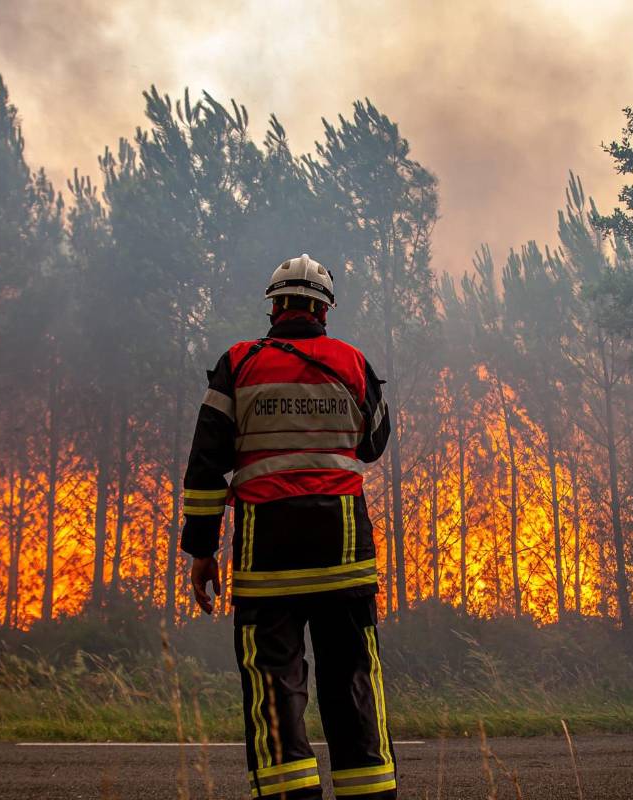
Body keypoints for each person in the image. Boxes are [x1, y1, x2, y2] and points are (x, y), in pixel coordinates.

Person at [180, 254, 395, 799]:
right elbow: (372, 445)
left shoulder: (238, 363)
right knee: (352, 682)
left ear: (274, 306)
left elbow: (206, 465)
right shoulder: (352, 363)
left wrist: (201, 551)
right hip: (344, 553)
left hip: (266, 556)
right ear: (324, 311)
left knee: (273, 687)